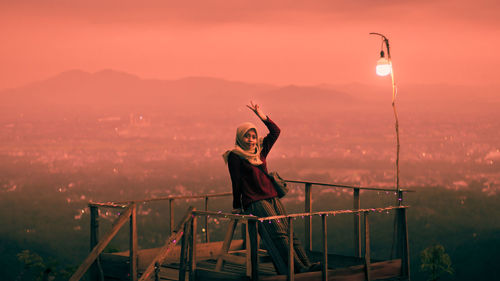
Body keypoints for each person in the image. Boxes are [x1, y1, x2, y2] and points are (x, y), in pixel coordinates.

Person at [222, 102, 319, 273]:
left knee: (289, 232)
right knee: (279, 234)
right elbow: (235, 182)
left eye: (253, 136)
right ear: (239, 138)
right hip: (256, 201)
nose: (251, 140)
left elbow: (276, 132)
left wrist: (261, 116)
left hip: (272, 197)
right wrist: (237, 205)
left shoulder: (259, 151)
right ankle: (297, 268)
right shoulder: (235, 157)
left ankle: (306, 265)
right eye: (246, 136)